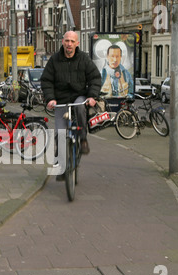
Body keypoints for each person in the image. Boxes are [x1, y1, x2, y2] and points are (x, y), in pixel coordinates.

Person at [41, 31, 101, 181]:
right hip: (60, 100)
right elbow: (46, 81)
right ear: (62, 42)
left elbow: (94, 77)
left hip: (78, 96)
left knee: (80, 107)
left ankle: (83, 139)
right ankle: (62, 167)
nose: (69, 44)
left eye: (72, 41)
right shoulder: (54, 60)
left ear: (77, 44)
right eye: (67, 41)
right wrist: (50, 99)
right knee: (60, 133)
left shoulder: (84, 59)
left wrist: (92, 96)